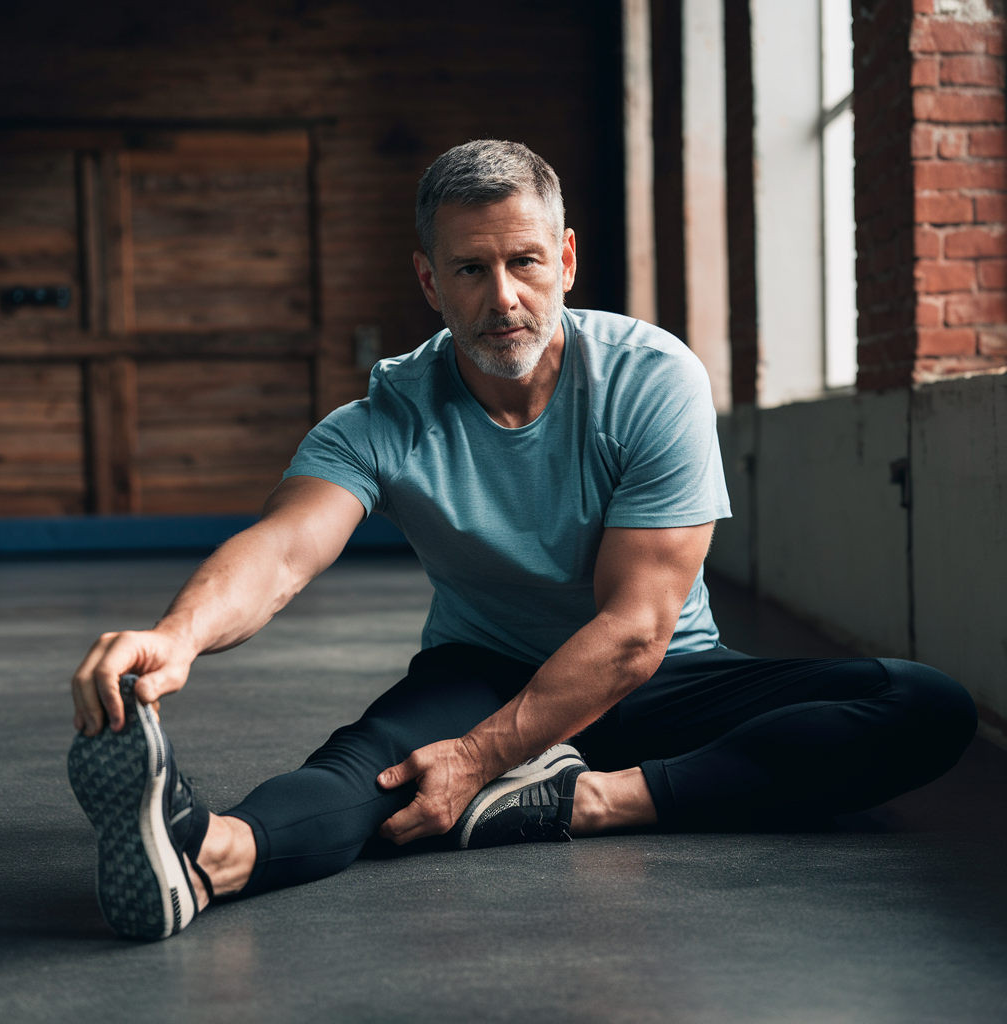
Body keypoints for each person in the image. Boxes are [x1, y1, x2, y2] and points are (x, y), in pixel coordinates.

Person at [68, 140, 977, 942]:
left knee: (922, 704)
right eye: (469, 270)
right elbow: (282, 549)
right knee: (372, 768)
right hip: (487, 663)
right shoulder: (382, 418)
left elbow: (634, 633)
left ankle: (590, 797)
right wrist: (178, 634)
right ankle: (206, 858)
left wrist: (481, 759)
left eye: (525, 261)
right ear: (429, 281)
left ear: (567, 260)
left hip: (664, 676)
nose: (503, 298)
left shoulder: (650, 380)